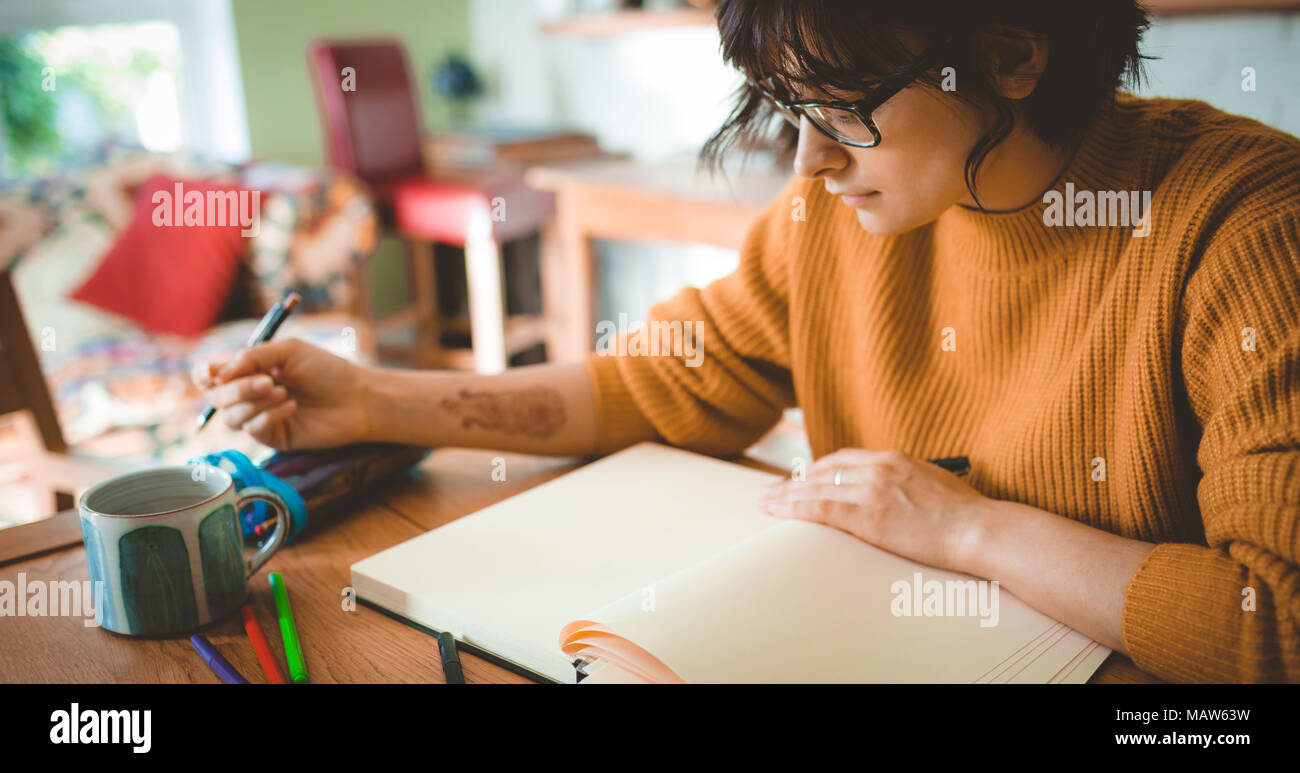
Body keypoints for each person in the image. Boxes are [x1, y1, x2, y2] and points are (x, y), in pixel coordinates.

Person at [194, 1, 1300, 682]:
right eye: (785, 110)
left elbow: (1274, 624)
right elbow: (667, 375)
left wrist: (967, 531)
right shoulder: (841, 215)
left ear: (1008, 58)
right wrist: (377, 398)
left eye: (838, 111)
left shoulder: (1246, 224)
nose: (807, 163)